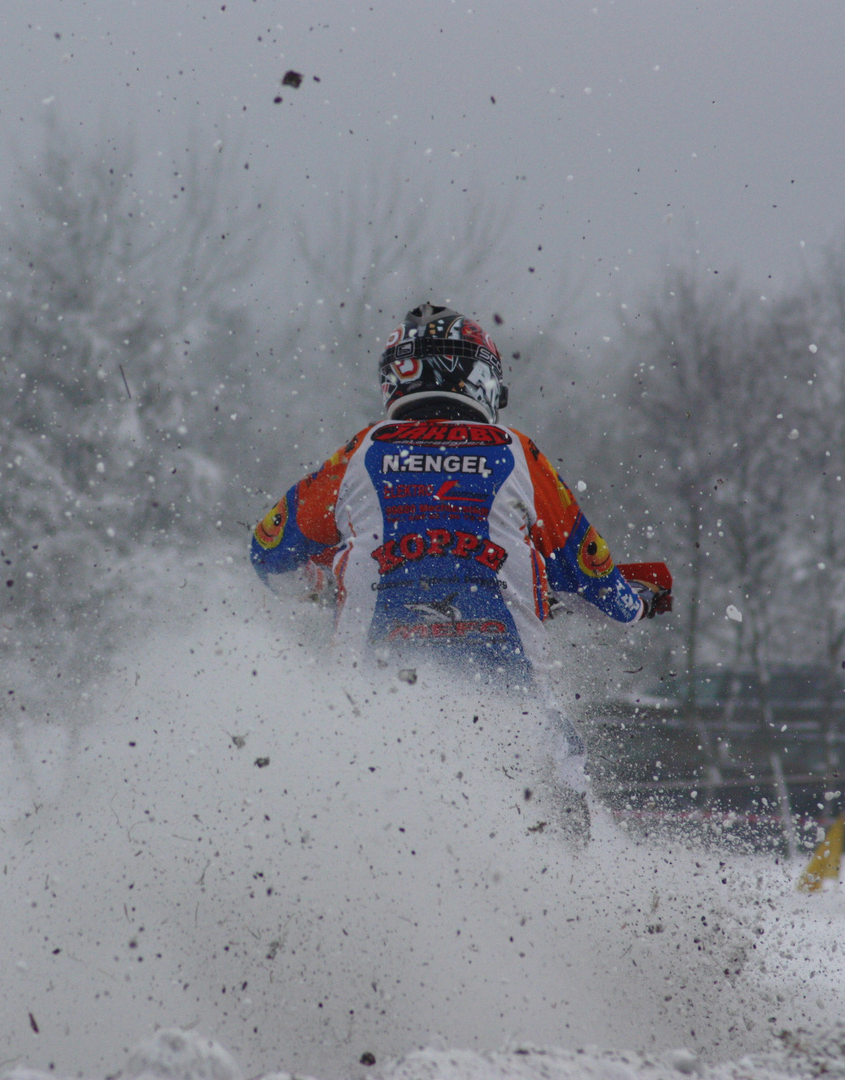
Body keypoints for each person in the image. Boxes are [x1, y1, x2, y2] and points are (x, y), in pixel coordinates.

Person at [248, 302, 670, 841]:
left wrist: (320, 584)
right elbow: (594, 576)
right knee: (566, 786)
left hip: (361, 708)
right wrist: (635, 603)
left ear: (396, 376)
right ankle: (572, 871)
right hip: (514, 707)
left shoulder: (360, 451)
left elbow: (267, 551)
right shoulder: (519, 454)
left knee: (318, 824)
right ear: (483, 378)